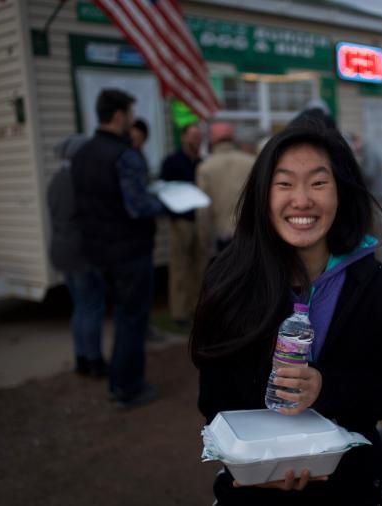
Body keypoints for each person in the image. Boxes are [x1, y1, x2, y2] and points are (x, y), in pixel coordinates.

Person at [190, 120, 382, 505]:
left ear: (340, 192)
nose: (302, 200)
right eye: (285, 184)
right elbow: (215, 400)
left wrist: (326, 388)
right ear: (264, 194)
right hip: (252, 490)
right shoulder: (230, 280)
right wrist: (252, 465)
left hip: (351, 488)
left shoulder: (377, 286)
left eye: (318, 183)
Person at [71, 89, 165, 408]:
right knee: (131, 319)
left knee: (117, 317)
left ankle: (117, 381)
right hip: (129, 251)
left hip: (96, 252)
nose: (130, 120)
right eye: (128, 112)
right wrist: (165, 201)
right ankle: (127, 387)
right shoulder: (124, 155)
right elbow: (138, 206)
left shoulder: (82, 153)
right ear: (118, 116)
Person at [47, 133, 108, 378]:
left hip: (61, 251)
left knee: (80, 307)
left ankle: (81, 358)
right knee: (91, 307)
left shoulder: (57, 179)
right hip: (81, 254)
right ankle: (94, 361)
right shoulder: (79, 179)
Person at [160, 123, 205, 328]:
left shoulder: (203, 164)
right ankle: (179, 313)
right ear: (184, 138)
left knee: (199, 267)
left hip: (200, 220)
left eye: (198, 136)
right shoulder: (171, 162)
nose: (196, 140)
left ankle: (196, 309)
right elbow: (164, 190)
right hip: (180, 221)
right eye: (192, 136)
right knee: (179, 267)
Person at [195, 122, 256, 254]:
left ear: (212, 140)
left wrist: (205, 241)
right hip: (251, 234)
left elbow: (203, 210)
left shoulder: (205, 168)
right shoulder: (251, 162)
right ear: (232, 138)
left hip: (223, 237)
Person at [351, 132, 382, 206]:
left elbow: (369, 174)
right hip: (377, 193)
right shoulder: (368, 150)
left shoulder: (369, 152)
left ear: (357, 141)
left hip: (376, 194)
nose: (354, 150)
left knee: (375, 216)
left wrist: (357, 172)